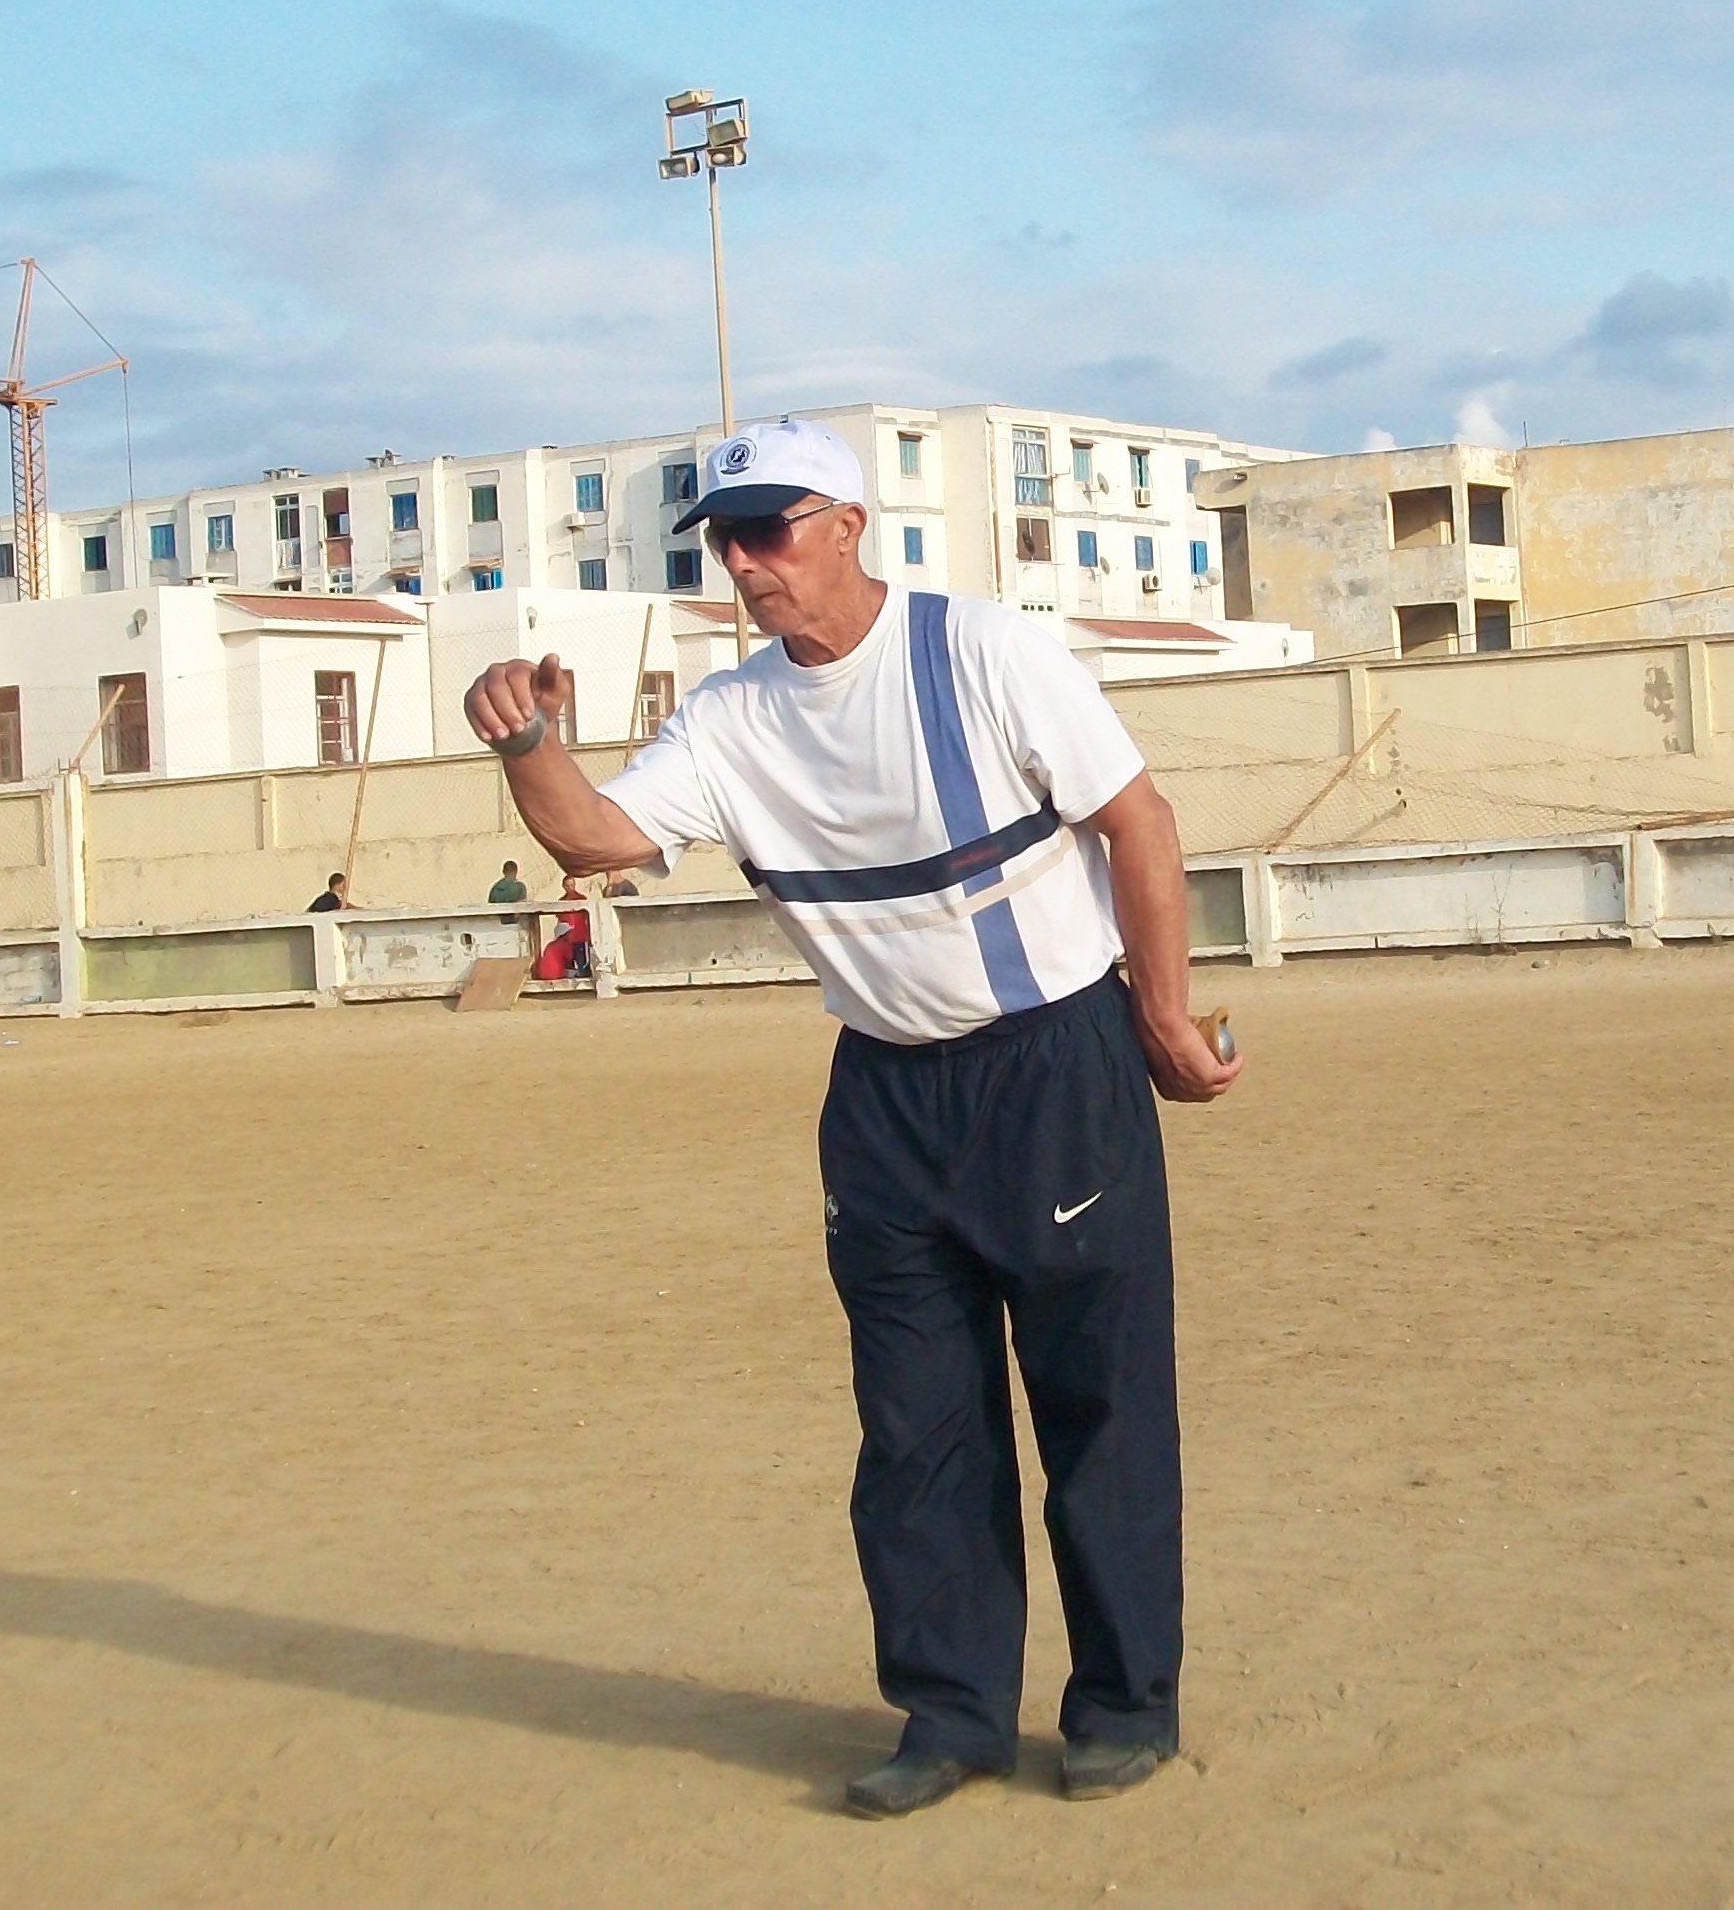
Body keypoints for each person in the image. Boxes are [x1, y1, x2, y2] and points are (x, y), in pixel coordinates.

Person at [467, 417, 1237, 1820]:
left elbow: (1140, 822)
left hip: (1054, 1065)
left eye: (771, 529)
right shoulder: (732, 719)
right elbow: (593, 841)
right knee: (914, 1427)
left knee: (1099, 1404)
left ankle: (1126, 1705)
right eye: (726, 539)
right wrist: (526, 741)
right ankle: (950, 1717)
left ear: (847, 525)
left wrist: (1166, 1017)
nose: (749, 563)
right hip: (884, 1097)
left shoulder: (986, 651)